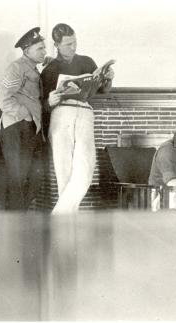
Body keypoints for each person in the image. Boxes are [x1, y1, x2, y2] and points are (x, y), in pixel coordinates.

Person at [41, 23, 114, 215]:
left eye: (74, 42)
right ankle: (67, 225)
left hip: (84, 112)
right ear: (56, 45)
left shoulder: (87, 61)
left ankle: (58, 216)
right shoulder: (49, 69)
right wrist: (49, 100)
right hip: (61, 115)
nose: (73, 48)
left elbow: (103, 90)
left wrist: (108, 78)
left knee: (86, 168)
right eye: (67, 45)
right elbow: (41, 103)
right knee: (63, 170)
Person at [0, 27, 47, 211]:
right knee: (17, 179)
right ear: (27, 51)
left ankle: (18, 218)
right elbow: (3, 99)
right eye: (40, 48)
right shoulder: (16, 67)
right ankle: (15, 224)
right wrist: (25, 115)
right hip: (16, 128)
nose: (44, 52)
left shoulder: (33, 68)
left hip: (29, 129)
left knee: (35, 178)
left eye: (44, 48)